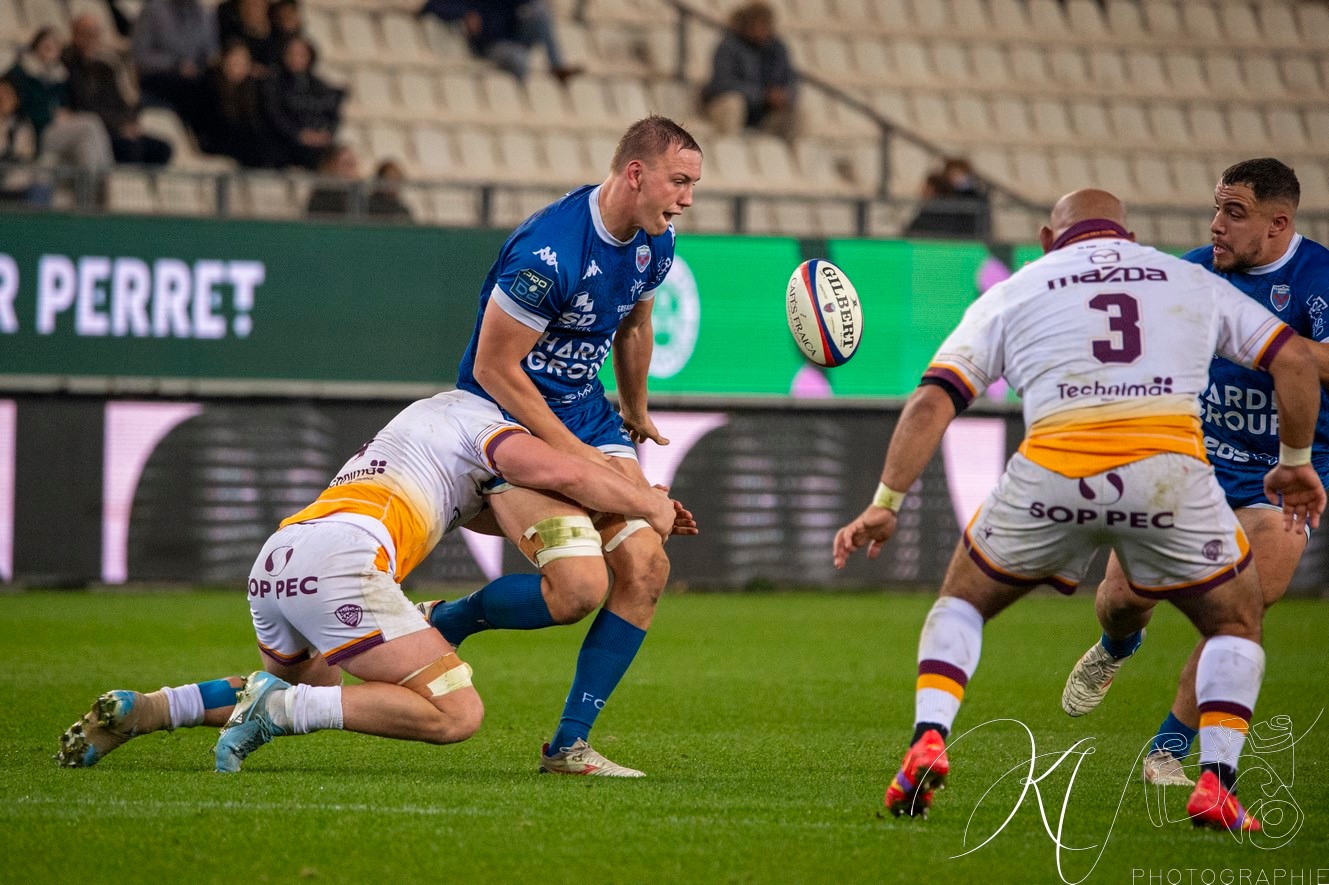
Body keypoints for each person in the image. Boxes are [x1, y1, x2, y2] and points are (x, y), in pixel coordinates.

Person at [832, 188, 1325, 830]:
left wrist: (886, 503)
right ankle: (1217, 783)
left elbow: (933, 400)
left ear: (1046, 240)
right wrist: (1294, 460)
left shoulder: (1018, 288)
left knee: (961, 603)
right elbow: (1292, 359)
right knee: (1235, 626)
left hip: (1054, 476)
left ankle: (928, 738)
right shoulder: (1186, 277)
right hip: (1169, 480)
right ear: (1127, 235)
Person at [55, 389, 688, 771]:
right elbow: (566, 477)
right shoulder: (485, 425)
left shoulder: (418, 432)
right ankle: (284, 710)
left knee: (312, 679)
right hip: (343, 567)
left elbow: (509, 513)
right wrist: (645, 502)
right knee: (456, 714)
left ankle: (150, 710)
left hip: (278, 559)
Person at [413, 115, 701, 777]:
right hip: (507, 425)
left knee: (646, 570)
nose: (686, 198)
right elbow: (492, 369)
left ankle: (568, 744)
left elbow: (635, 323)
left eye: (692, 185)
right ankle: (449, 619)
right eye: (677, 181)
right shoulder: (548, 252)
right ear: (636, 173)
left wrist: (633, 409)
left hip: (588, 419)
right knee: (576, 590)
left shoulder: (656, 243)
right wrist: (576, 455)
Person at [1060, 158, 1329, 785]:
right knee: (1124, 600)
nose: (1216, 225)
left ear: (1278, 223)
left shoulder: (1321, 282)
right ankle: (1116, 646)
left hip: (1283, 477)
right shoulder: (1186, 276)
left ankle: (1167, 751)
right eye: (1216, 209)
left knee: (1238, 611)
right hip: (1189, 463)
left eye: (1234, 214)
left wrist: (1269, 344)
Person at [63, 14, 173, 167]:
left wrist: (130, 122)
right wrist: (119, 126)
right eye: (86, 34)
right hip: (99, 130)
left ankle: (147, 189)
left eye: (95, 34)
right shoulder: (68, 66)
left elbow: (122, 100)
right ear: (74, 34)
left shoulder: (105, 67)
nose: (91, 39)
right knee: (132, 149)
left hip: (119, 126)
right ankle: (124, 188)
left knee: (162, 149)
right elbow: (83, 105)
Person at [3, 28, 114, 175]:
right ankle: (105, 178)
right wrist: (50, 115)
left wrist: (64, 115)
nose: (51, 51)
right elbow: (16, 108)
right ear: (35, 46)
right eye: (47, 47)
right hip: (32, 131)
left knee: (87, 141)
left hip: (55, 127)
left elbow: (64, 105)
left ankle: (96, 185)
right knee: (89, 124)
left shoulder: (59, 75)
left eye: (55, 48)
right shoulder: (20, 73)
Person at [700, 1, 802, 142]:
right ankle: (729, 149)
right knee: (734, 104)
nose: (760, 30)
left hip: (763, 113)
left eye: (765, 25)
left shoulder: (777, 49)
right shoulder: (728, 47)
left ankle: (791, 160)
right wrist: (762, 95)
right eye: (756, 24)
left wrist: (784, 96)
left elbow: (790, 79)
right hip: (728, 107)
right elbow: (722, 84)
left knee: (799, 113)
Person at [418, 0, 583, 83]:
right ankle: (520, 98)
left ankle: (556, 65)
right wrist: (464, 15)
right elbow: (432, 5)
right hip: (489, 44)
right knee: (519, 59)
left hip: (513, 36)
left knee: (540, 11)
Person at [131, 0, 217, 133]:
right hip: (159, 75)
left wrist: (199, 65)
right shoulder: (153, 10)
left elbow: (211, 52)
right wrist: (176, 64)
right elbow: (140, 55)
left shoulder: (204, 14)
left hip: (196, 73)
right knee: (196, 90)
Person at [195, 40, 284, 168]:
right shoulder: (208, 86)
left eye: (242, 62)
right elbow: (210, 124)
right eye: (234, 60)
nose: (237, 66)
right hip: (216, 139)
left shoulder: (252, 89)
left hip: (244, 141)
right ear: (223, 60)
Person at [260, 34, 343, 170]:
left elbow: (332, 115)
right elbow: (274, 115)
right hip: (284, 144)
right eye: (291, 54)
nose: (296, 59)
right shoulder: (273, 83)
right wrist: (299, 134)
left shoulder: (319, 86)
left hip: (317, 146)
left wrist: (323, 134)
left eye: (301, 54)